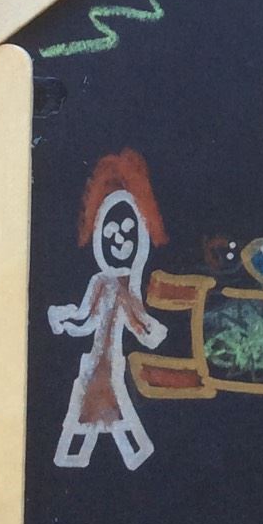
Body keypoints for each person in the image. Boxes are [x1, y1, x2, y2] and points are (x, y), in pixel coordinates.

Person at [48, 166, 167, 471]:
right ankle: (89, 455)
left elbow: (137, 322)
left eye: (127, 230)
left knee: (102, 407)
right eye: (111, 232)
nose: (119, 240)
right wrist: (65, 320)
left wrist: (152, 331)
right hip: (100, 361)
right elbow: (85, 317)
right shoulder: (103, 282)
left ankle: (123, 453)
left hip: (108, 362)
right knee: (97, 407)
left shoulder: (125, 289)